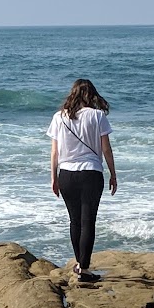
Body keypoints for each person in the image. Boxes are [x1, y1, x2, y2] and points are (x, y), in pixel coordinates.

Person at [47, 78, 117, 284]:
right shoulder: (97, 116)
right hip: (91, 174)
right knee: (88, 222)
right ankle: (84, 270)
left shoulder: (58, 117)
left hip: (66, 174)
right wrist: (113, 174)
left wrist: (53, 178)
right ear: (92, 94)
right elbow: (106, 149)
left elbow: (54, 152)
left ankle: (80, 263)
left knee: (75, 221)